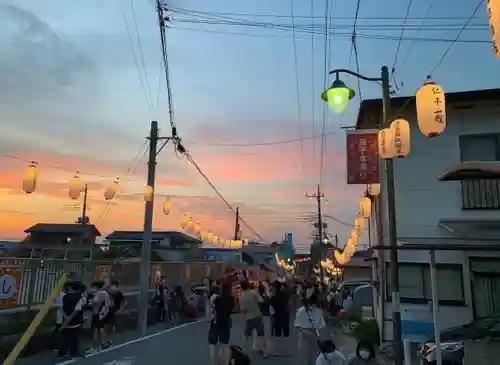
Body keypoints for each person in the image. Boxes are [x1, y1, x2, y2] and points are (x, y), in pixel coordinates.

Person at [294, 292, 327, 365]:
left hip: (314, 335)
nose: (314, 307)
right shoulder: (301, 312)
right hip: (304, 335)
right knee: (304, 356)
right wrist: (305, 331)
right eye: (313, 305)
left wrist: (322, 337)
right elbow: (297, 326)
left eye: (316, 305)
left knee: (314, 355)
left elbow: (322, 325)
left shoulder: (318, 311)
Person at [239, 280, 267, 358]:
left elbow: (242, 310)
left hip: (249, 318)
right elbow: (261, 301)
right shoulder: (254, 293)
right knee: (261, 334)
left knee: (246, 334)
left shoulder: (241, 297)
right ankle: (264, 352)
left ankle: (244, 351)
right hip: (257, 316)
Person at [58, 281, 85, 360]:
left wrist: (65, 320)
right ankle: (74, 353)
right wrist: (68, 320)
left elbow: (61, 309)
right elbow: (76, 312)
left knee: (65, 337)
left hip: (65, 320)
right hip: (75, 321)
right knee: (74, 338)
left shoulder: (65, 297)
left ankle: (63, 353)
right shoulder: (80, 298)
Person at [208, 285, 233, 365]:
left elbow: (210, 315)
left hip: (214, 324)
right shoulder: (225, 299)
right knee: (225, 344)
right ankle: (226, 362)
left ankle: (213, 362)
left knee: (212, 344)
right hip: (224, 323)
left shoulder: (210, 300)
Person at [89, 281, 111, 353]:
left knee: (95, 329)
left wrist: (89, 301)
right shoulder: (106, 294)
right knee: (101, 328)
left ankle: (94, 346)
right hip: (103, 313)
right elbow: (108, 304)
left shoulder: (97, 294)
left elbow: (94, 302)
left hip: (96, 313)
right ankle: (104, 343)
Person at [270, 281, 291, 356]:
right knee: (286, 334)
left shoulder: (273, 297)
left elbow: (271, 308)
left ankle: (278, 351)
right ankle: (285, 351)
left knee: (277, 335)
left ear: (275, 288)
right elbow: (289, 304)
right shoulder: (286, 294)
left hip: (277, 317)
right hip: (285, 316)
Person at [254, 282, 273, 355]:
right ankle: (266, 348)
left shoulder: (257, 298)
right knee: (267, 333)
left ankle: (259, 347)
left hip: (259, 317)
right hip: (266, 316)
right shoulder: (267, 298)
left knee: (259, 333)